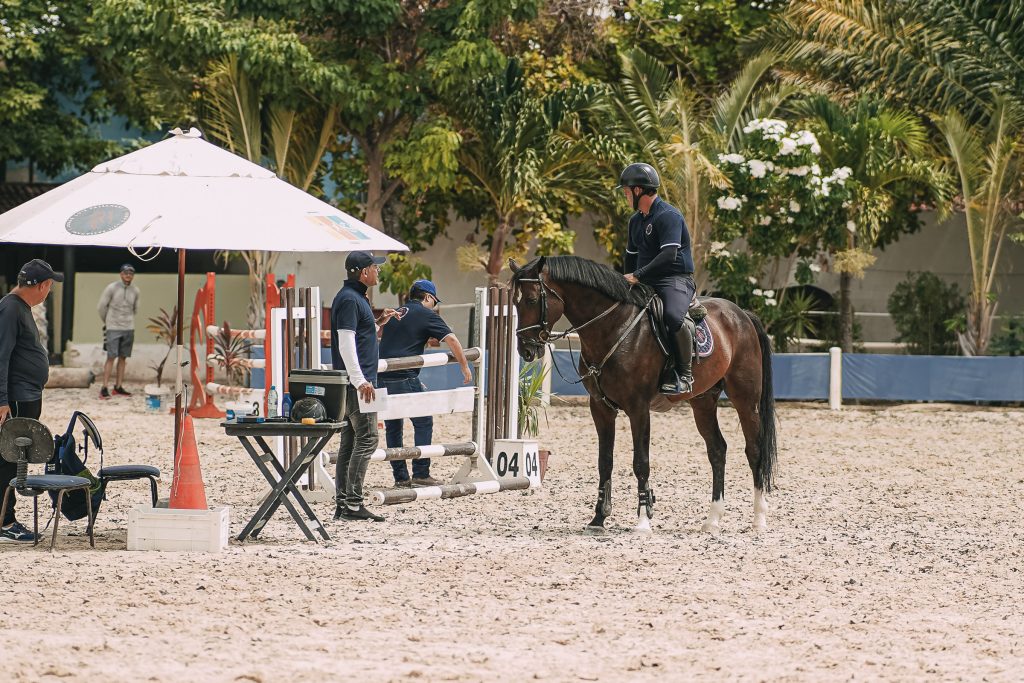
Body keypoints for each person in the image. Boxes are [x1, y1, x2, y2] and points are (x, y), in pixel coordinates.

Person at [377, 279, 473, 488]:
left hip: (382, 377)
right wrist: (464, 366)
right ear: (428, 297)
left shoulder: (396, 313)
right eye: (435, 302)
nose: (434, 306)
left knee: (393, 427)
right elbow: (452, 340)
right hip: (405, 376)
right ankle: (421, 473)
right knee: (423, 422)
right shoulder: (427, 314)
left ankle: (401, 478)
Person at [0, 259, 64, 543]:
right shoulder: (11, 308)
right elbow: (0, 357)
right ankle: (5, 521)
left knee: (13, 459)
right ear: (42, 285)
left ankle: (5, 517)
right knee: (7, 459)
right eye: (49, 286)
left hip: (25, 396)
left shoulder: (19, 308)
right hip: (14, 398)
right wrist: (2, 399)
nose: (48, 292)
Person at [330, 251, 396, 522]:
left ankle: (344, 503)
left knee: (350, 442)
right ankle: (353, 504)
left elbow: (359, 337)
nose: (378, 271)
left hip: (356, 381)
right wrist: (360, 381)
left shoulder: (355, 298)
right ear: (361, 271)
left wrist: (378, 324)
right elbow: (346, 344)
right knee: (368, 439)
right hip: (360, 383)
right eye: (374, 267)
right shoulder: (349, 300)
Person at [619, 162, 696, 394]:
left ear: (638, 190)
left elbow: (669, 255)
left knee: (673, 317)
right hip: (646, 280)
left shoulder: (668, 215)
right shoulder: (636, 221)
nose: (624, 197)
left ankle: (685, 374)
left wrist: (638, 275)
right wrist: (623, 283)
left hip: (675, 279)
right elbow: (630, 257)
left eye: (625, 192)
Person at [97, 263, 140, 398]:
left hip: (128, 327)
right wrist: (108, 322)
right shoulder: (112, 288)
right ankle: (104, 386)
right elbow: (101, 307)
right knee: (111, 356)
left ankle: (118, 386)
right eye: (126, 273)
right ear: (121, 274)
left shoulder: (135, 290)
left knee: (123, 357)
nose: (128, 275)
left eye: (131, 273)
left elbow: (135, 309)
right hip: (113, 327)